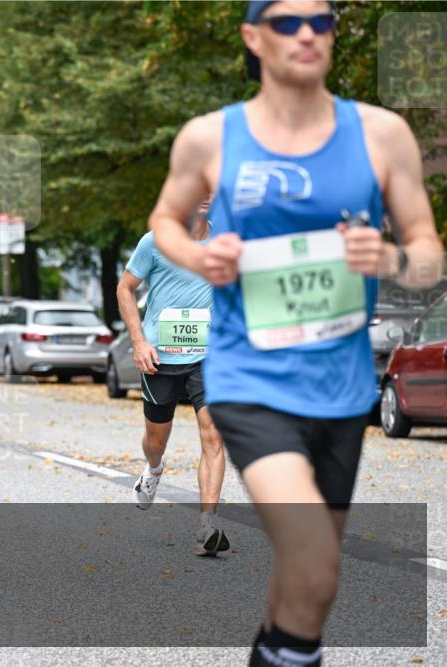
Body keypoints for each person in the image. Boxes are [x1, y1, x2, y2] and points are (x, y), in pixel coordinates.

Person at [149, 2, 444, 664]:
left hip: (340, 390)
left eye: (323, 20)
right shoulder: (210, 137)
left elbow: (428, 253)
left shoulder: (381, 134)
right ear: (254, 37)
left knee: (303, 588)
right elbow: (166, 220)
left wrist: (389, 257)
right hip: (248, 378)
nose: (308, 32)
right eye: (287, 21)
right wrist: (201, 256)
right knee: (314, 561)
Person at [118, 198, 228, 556]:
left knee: (213, 436)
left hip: (208, 358)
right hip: (159, 358)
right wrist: (138, 341)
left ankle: (206, 525)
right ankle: (153, 469)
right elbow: (125, 288)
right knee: (156, 440)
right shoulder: (156, 241)